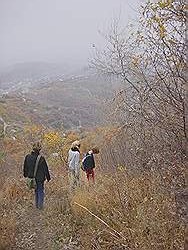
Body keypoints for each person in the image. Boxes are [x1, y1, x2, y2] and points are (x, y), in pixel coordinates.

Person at [23, 142, 51, 209]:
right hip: (40, 178)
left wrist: (25, 175)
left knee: (36, 191)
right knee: (40, 190)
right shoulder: (41, 158)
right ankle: (40, 207)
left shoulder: (27, 157)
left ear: (33, 148)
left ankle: (37, 205)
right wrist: (48, 178)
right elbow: (45, 169)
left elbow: (25, 167)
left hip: (31, 177)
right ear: (40, 149)